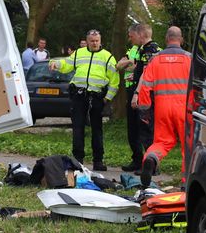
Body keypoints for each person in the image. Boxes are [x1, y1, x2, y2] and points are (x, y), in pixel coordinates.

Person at [50, 29, 119, 170]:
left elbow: (114, 80)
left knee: (97, 130)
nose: (94, 43)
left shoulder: (108, 57)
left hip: (97, 97)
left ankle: (98, 161)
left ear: (100, 41)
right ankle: (78, 161)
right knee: (77, 128)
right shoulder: (79, 53)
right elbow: (66, 65)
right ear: (87, 41)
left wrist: (108, 98)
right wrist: (54, 63)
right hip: (79, 95)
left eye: (97, 41)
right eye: (92, 41)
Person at [134, 26, 191, 188]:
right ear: (181, 40)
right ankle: (186, 182)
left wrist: (144, 111)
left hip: (162, 109)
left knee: (162, 141)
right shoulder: (189, 59)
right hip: (184, 109)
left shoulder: (156, 59)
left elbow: (145, 86)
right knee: (188, 146)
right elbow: (197, 87)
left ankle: (151, 159)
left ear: (166, 39)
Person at [116, 23, 160, 172]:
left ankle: (151, 165)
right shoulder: (141, 50)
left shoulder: (150, 50)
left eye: (132, 35)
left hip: (145, 97)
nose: (130, 38)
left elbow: (147, 74)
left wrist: (137, 93)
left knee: (146, 131)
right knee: (134, 129)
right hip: (138, 93)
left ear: (141, 34)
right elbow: (139, 70)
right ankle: (138, 161)